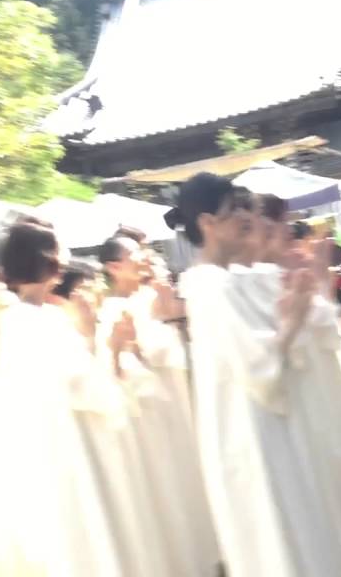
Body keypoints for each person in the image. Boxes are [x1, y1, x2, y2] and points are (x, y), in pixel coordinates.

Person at [171, 172, 341, 576]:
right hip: (252, 429)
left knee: (301, 523)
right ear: (207, 223)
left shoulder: (226, 279)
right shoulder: (208, 286)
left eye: (243, 205)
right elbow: (255, 366)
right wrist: (290, 322)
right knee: (282, 530)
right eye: (232, 209)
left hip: (270, 421)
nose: (244, 215)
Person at [237, 192, 341, 576]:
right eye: (277, 223)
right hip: (299, 391)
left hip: (321, 385)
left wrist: (317, 279)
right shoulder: (254, 280)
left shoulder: (284, 267)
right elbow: (299, 333)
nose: (285, 232)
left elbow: (326, 327)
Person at [0, 220, 153, 576]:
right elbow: (75, 383)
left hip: (72, 434)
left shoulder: (39, 316)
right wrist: (101, 342)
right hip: (63, 440)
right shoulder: (25, 320)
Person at [99, 235, 221, 575]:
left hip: (187, 393)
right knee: (180, 481)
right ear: (114, 267)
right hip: (159, 410)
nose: (143, 258)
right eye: (133, 254)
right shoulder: (113, 309)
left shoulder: (157, 292)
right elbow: (133, 360)